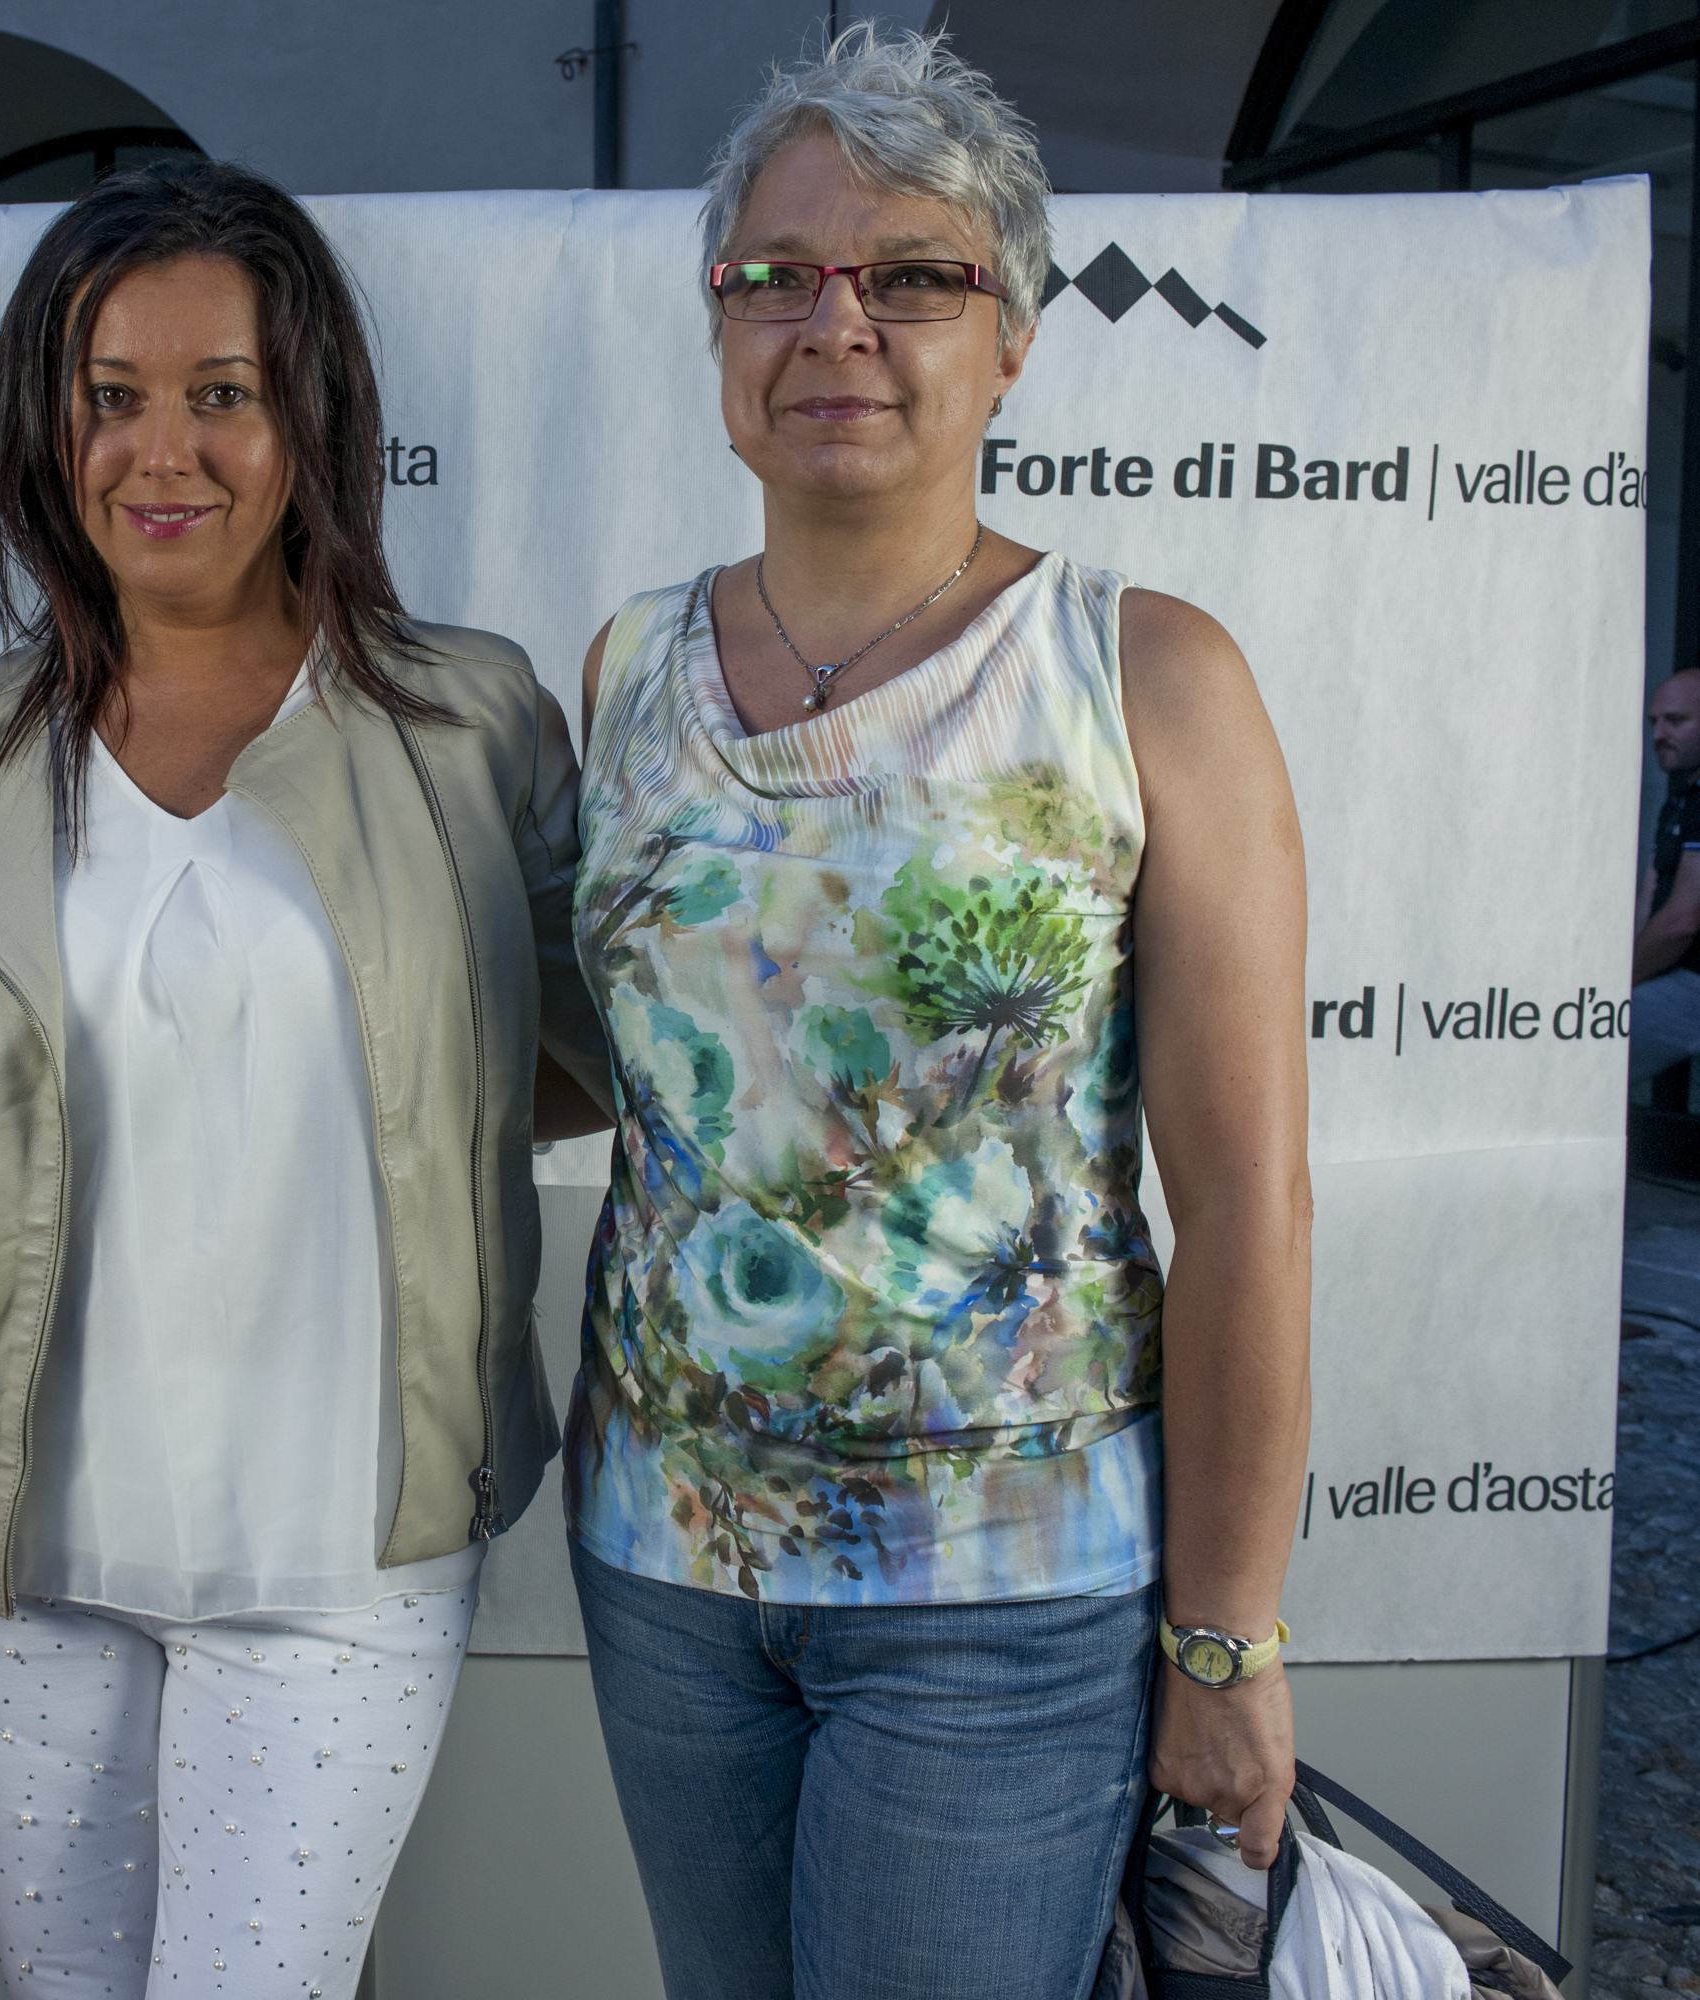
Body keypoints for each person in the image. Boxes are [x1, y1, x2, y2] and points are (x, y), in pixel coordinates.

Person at [561, 30, 1311, 2000]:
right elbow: (628, 1076)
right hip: (663, 1565)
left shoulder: (1144, 677)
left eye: (910, 275)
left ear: (1012, 336)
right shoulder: (624, 667)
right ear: (717, 325)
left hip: (1002, 1599)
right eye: (775, 275)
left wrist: (1225, 1635)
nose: (836, 323)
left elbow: (1245, 1202)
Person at [0, 160, 611, 1998]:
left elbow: (567, 1059)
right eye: (110, 395)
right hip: (18, 1555)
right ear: (45, 429)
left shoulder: (469, 723)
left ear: (309, 418)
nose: (159, 450)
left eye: (221, 393)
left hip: (346, 1553)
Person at [1630, 668, 1700, 1083]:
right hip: (1673, 977)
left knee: (1579, 1045)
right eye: (1653, 722)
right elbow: (1648, 904)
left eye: (1675, 721)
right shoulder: (1679, 801)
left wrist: (1615, 988)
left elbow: (1681, 923)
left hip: (1692, 980)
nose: (1658, 735)